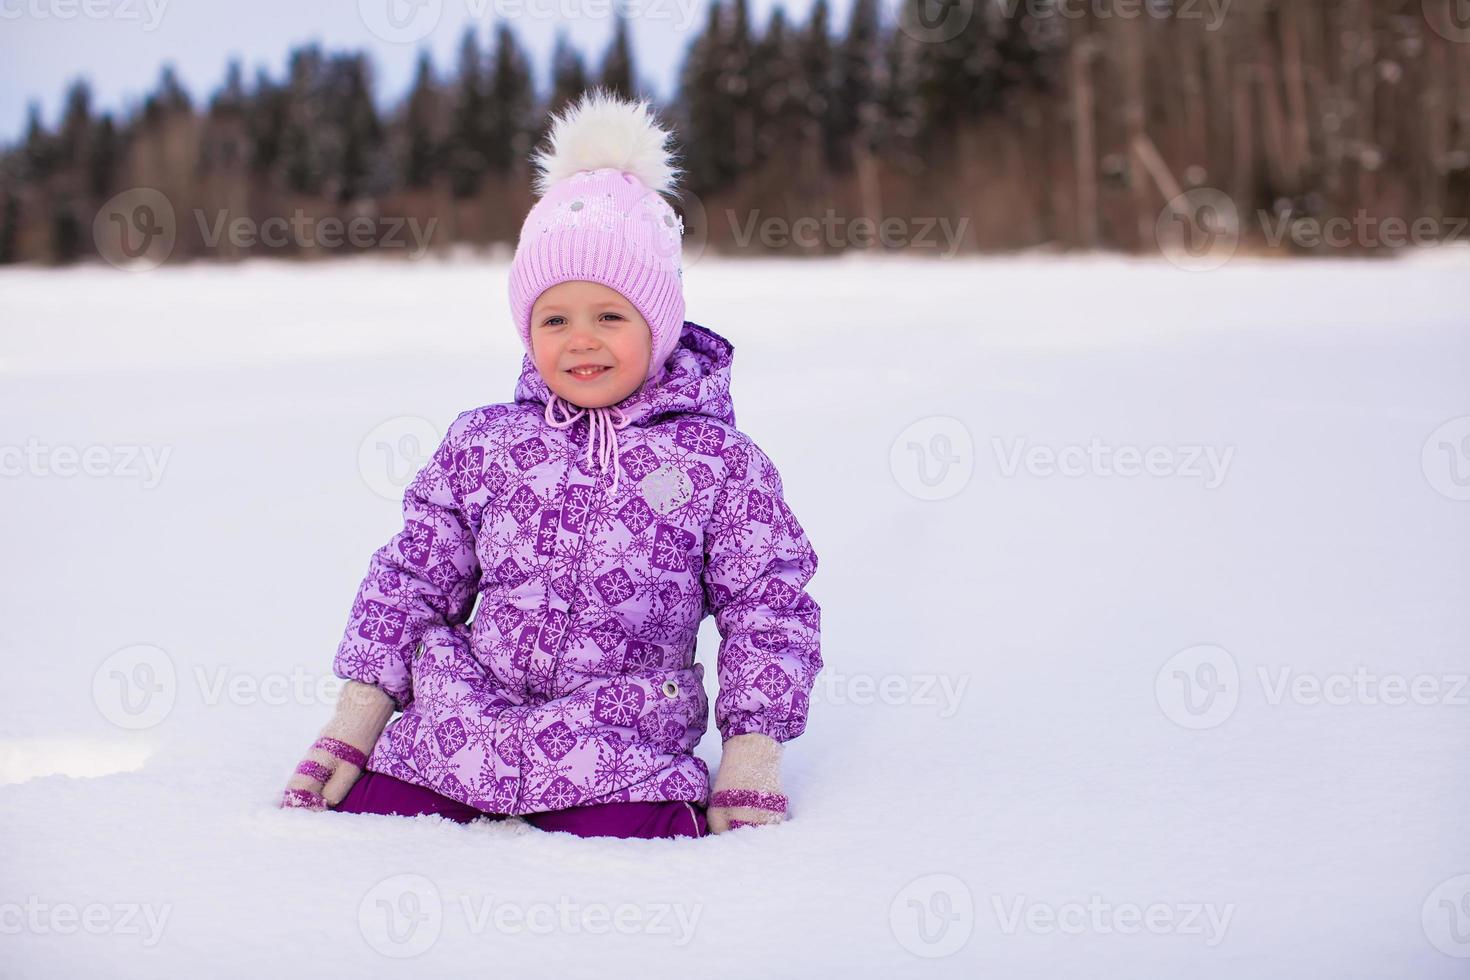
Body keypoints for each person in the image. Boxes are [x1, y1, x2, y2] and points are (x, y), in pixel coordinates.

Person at [278, 89, 822, 840]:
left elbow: (768, 606)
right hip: (461, 732)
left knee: (649, 836)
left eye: (610, 316)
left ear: (659, 327)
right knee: (370, 828)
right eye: (555, 319)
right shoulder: (484, 445)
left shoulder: (717, 465)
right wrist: (355, 721)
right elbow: (411, 579)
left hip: (623, 742)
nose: (581, 341)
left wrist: (751, 753)